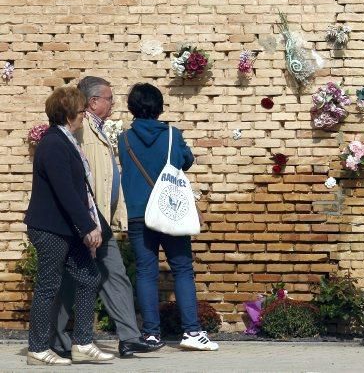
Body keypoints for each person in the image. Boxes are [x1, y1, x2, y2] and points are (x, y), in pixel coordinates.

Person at [50, 77, 164, 358]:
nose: (114, 104)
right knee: (67, 280)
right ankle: (56, 339)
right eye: (110, 99)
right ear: (93, 102)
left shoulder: (98, 129)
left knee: (115, 274)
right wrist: (83, 219)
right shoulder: (78, 129)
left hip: (102, 218)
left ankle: (129, 337)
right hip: (84, 219)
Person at [118, 83, 219, 351]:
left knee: (145, 272)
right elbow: (186, 161)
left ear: (132, 107)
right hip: (171, 209)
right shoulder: (173, 135)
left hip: (139, 214)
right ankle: (192, 332)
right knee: (183, 269)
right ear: (159, 106)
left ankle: (151, 334)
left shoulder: (123, 139)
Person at [24, 86, 114, 365]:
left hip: (67, 227)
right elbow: (66, 191)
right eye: (79, 112)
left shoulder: (66, 141)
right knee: (49, 285)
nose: (82, 117)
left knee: (88, 277)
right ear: (67, 115)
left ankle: (83, 344)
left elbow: (78, 188)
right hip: (50, 227)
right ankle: (37, 349)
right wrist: (88, 227)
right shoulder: (53, 144)